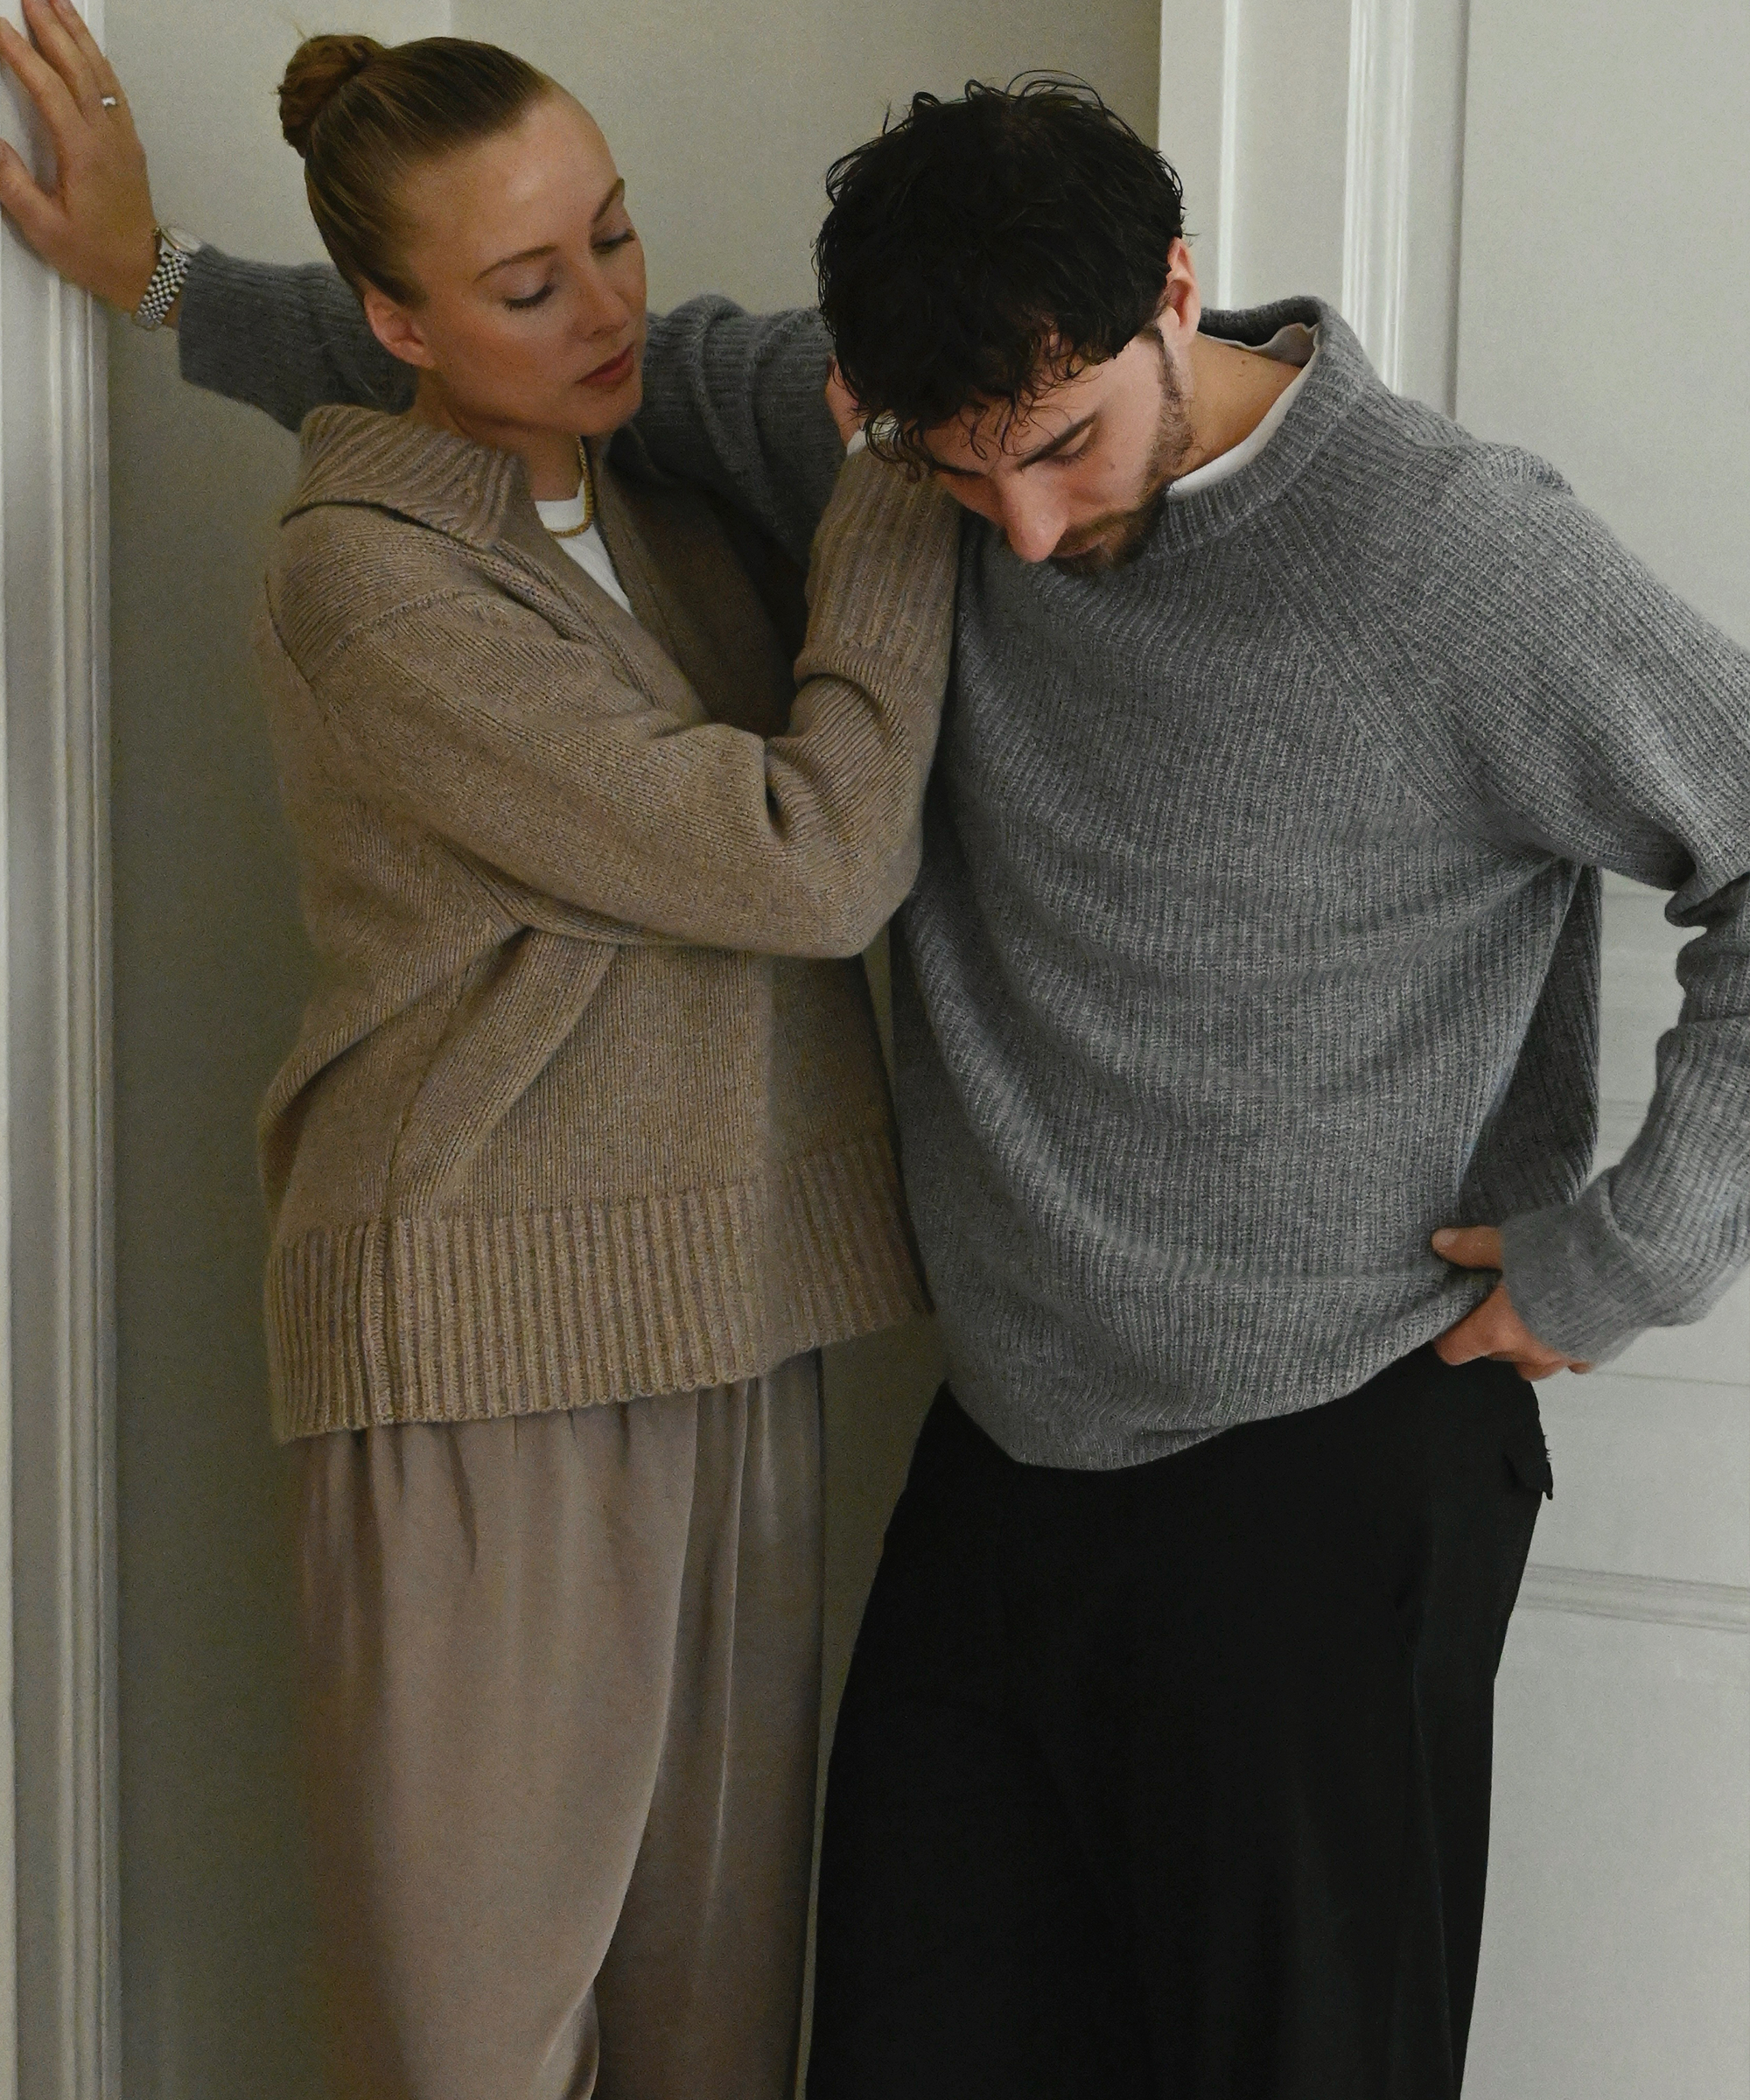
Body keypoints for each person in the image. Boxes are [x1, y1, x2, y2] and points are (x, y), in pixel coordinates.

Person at [10, 35, 1750, 2100]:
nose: (1013, 530)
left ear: (1174, 293)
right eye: (952, 469)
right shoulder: (872, 440)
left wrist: (1630, 1250)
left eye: (1068, 446)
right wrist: (163, 283)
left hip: (1323, 1456)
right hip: (1002, 1456)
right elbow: (519, 348)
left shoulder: (1455, 560)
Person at [0, 12, 962, 2100]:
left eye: (612, 240)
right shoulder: (368, 586)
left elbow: (488, 375)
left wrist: (160, 276)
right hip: (483, 1352)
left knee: (715, 2030)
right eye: (529, 286)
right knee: (474, 2042)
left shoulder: (670, 508)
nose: (608, 309)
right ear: (394, 323)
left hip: (731, 1322)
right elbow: (806, 864)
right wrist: (895, 485)